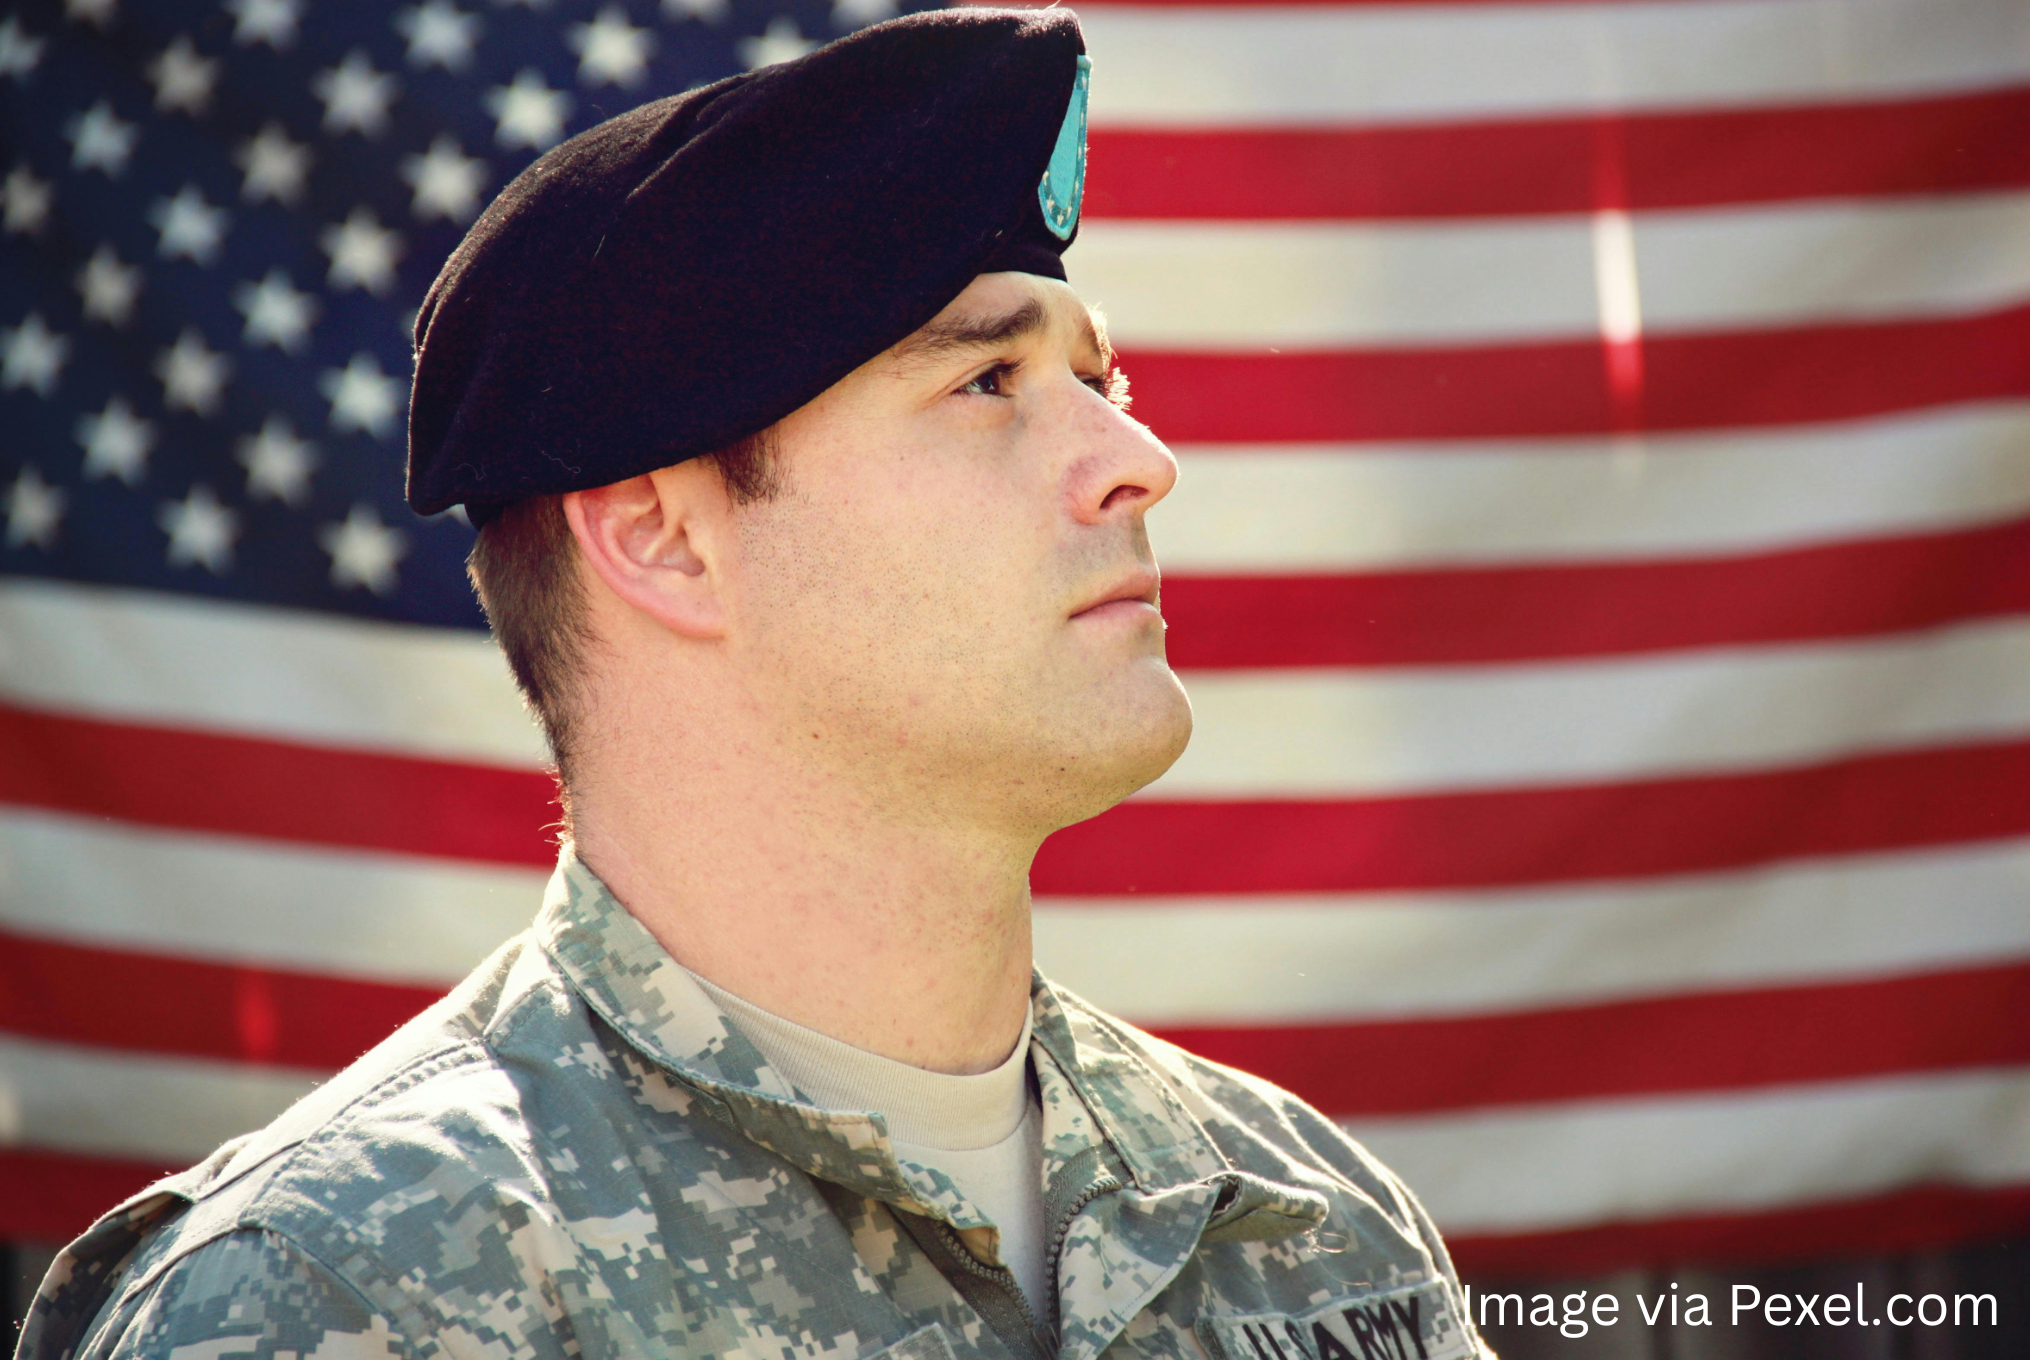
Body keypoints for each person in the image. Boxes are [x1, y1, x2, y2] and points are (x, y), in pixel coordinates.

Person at [20, 11, 1492, 1360]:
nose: (1137, 461)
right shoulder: (351, 1295)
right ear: (663, 540)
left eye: (1096, 385)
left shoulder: (1313, 1232)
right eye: (985, 384)